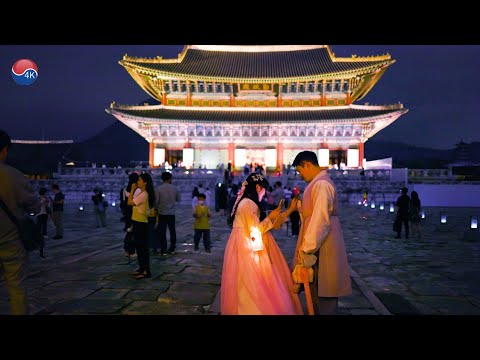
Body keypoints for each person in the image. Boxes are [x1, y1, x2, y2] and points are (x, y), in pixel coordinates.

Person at [221, 173, 303, 315]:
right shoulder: (249, 204)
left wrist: (283, 213)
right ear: (257, 187)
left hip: (241, 242)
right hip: (247, 245)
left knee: (244, 280)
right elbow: (255, 230)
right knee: (252, 280)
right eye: (263, 189)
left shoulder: (245, 202)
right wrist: (270, 217)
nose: (264, 192)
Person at [292, 151, 352, 315]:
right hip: (320, 241)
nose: (300, 175)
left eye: (300, 170)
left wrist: (307, 248)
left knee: (323, 287)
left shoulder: (322, 184)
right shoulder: (318, 183)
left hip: (322, 243)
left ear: (307, 165)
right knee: (317, 287)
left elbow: (320, 219)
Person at [0, 129, 40, 314]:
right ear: (4, 150)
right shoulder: (12, 175)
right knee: (16, 288)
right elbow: (34, 206)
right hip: (11, 241)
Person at [127, 173, 155, 279]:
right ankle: (141, 269)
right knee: (139, 247)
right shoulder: (143, 193)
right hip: (138, 221)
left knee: (142, 248)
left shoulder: (143, 195)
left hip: (141, 223)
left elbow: (129, 202)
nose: (137, 182)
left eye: (139, 180)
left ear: (145, 183)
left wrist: (132, 190)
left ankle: (146, 271)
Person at [155, 172, 180, 255]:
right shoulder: (175, 188)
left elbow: (156, 201)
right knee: (172, 231)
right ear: (170, 178)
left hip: (162, 213)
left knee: (162, 232)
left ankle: (163, 249)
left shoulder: (159, 189)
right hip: (171, 213)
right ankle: (172, 248)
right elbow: (178, 199)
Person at [36, 188, 51, 258]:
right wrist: (43, 202)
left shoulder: (46, 198)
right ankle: (38, 235)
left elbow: (48, 205)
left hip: (44, 213)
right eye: (45, 193)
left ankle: (44, 233)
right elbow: (37, 205)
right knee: (39, 225)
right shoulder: (38, 198)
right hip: (39, 213)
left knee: (45, 224)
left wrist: (47, 202)